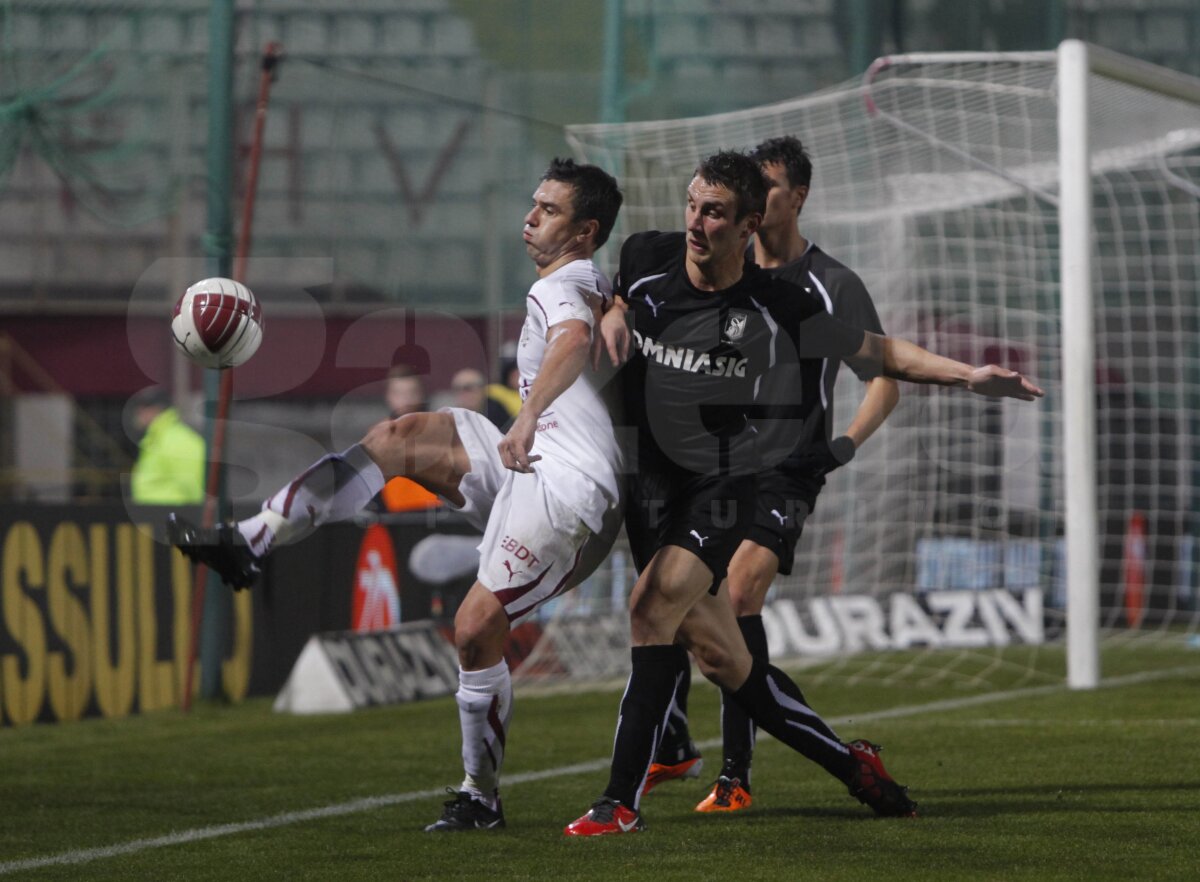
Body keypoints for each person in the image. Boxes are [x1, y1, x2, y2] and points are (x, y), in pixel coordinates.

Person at [563, 149, 1042, 836]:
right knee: (729, 663)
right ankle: (857, 770)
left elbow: (882, 355)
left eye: (716, 213)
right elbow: (604, 293)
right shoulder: (644, 257)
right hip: (648, 484)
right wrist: (610, 309)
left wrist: (970, 376)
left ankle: (619, 802)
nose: (697, 223)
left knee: (650, 607)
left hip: (722, 487)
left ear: (749, 224)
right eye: (693, 205)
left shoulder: (779, 304)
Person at [168, 157, 625, 833]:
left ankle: (480, 795)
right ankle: (251, 542)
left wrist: (528, 416)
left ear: (585, 231)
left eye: (549, 210)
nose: (529, 217)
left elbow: (574, 338)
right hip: (531, 468)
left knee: (473, 629)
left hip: (568, 490)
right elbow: (596, 314)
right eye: (533, 203)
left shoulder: (567, 285)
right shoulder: (584, 278)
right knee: (401, 436)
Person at [649, 135, 901, 814]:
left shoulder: (831, 284)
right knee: (678, 602)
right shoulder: (719, 272)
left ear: (797, 198)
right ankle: (675, 746)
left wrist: (841, 448)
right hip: (718, 468)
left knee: (738, 590)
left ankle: (734, 776)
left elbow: (884, 381)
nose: (758, 199)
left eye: (771, 187)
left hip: (789, 468)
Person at [128, 387, 206, 505]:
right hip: (157, 516)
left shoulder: (178, 440)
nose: (139, 413)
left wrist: (197, 518)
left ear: (157, 409)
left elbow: (195, 486)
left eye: (144, 408)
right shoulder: (156, 439)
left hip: (173, 516)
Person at [379, 364, 441, 512]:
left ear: (420, 394)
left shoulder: (439, 431)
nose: (406, 399)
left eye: (411, 393)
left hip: (435, 514)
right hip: (394, 518)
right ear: (389, 396)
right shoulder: (378, 436)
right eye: (399, 393)